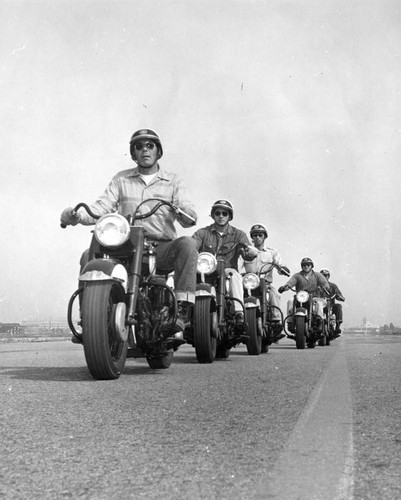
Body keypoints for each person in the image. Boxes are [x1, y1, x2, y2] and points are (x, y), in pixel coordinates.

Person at [60, 128, 198, 342]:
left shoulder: (173, 181)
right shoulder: (121, 179)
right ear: (133, 153)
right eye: (139, 146)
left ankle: (181, 313)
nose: (145, 149)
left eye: (150, 145)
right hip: (126, 247)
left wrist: (184, 212)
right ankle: (88, 320)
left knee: (188, 244)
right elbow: (101, 207)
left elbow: (187, 211)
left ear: (158, 151)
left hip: (160, 249)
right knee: (88, 256)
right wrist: (78, 215)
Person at [192, 200, 257, 326]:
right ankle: (184, 308)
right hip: (206, 271)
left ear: (230, 216)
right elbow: (193, 246)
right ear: (213, 215)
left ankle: (239, 311)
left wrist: (249, 252)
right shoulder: (202, 233)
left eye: (224, 213)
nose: (221, 216)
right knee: (186, 274)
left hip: (227, 270)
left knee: (235, 276)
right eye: (217, 213)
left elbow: (247, 253)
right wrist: (189, 249)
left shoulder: (238, 234)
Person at [244, 223, 290, 341]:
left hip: (266, 284)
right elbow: (239, 265)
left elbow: (279, 264)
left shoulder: (272, 252)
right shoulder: (246, 252)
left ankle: (276, 322)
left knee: (274, 294)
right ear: (252, 238)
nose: (257, 237)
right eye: (254, 235)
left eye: (260, 235)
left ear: (264, 237)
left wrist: (283, 269)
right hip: (249, 284)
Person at [278, 257, 330, 331]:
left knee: (319, 303)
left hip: (314, 296)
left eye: (308, 265)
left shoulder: (317, 275)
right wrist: (284, 288)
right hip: (300, 297)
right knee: (290, 301)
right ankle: (290, 322)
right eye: (304, 265)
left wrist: (326, 288)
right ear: (301, 266)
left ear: (312, 266)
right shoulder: (297, 275)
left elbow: (324, 283)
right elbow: (290, 283)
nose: (306, 266)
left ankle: (319, 322)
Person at [320, 268, 345, 336]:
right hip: (319, 307)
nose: (324, 277)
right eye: (322, 276)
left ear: (328, 276)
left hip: (330, 305)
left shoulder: (333, 286)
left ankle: (337, 326)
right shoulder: (316, 286)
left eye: (326, 275)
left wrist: (340, 297)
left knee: (338, 306)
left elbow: (338, 293)